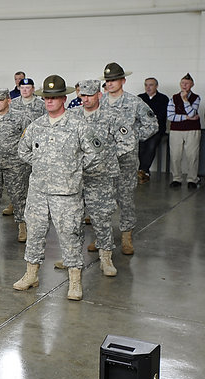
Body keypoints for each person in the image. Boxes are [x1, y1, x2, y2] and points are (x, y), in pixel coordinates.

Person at [14, 75, 99, 301]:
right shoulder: (36, 126)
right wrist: (42, 165)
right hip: (39, 191)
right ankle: (31, 275)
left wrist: (73, 169)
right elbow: (23, 150)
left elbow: (94, 154)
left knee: (70, 235)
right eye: (46, 98)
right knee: (34, 233)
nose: (49, 101)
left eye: (54, 98)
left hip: (66, 192)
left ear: (63, 98)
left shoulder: (78, 125)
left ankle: (74, 281)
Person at [62, 79, 121, 276]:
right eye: (82, 96)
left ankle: (106, 258)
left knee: (101, 218)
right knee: (73, 219)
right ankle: (71, 258)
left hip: (100, 176)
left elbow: (127, 141)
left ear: (98, 95)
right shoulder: (72, 115)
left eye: (89, 95)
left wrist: (106, 158)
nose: (85, 99)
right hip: (76, 176)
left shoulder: (111, 115)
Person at [99, 62, 158, 255]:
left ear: (123, 81)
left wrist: (132, 137)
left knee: (125, 199)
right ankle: (103, 239)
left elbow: (152, 124)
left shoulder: (134, 103)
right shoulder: (99, 103)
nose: (110, 84)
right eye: (107, 81)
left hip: (126, 161)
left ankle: (126, 237)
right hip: (103, 161)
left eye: (114, 80)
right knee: (102, 200)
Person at [0, 89, 31, 242]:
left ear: (9, 100)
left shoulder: (20, 117)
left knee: (18, 195)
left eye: (0, 100)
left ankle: (22, 224)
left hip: (14, 164)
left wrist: (24, 157)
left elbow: (28, 138)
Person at [167, 73, 201, 188]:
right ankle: (176, 178)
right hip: (176, 130)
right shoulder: (173, 98)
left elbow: (192, 112)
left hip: (192, 130)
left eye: (187, 83)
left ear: (192, 84)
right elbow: (170, 117)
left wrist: (185, 100)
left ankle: (192, 179)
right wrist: (186, 117)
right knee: (175, 155)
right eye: (182, 83)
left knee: (192, 155)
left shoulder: (196, 97)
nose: (184, 85)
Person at [137, 77, 169, 183]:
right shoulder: (140, 98)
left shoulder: (163, 98)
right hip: (143, 129)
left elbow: (161, 115)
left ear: (156, 86)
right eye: (146, 85)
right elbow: (137, 115)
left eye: (151, 85)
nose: (148, 87)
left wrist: (149, 119)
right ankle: (141, 171)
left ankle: (143, 171)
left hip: (157, 129)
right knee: (140, 146)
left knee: (151, 145)